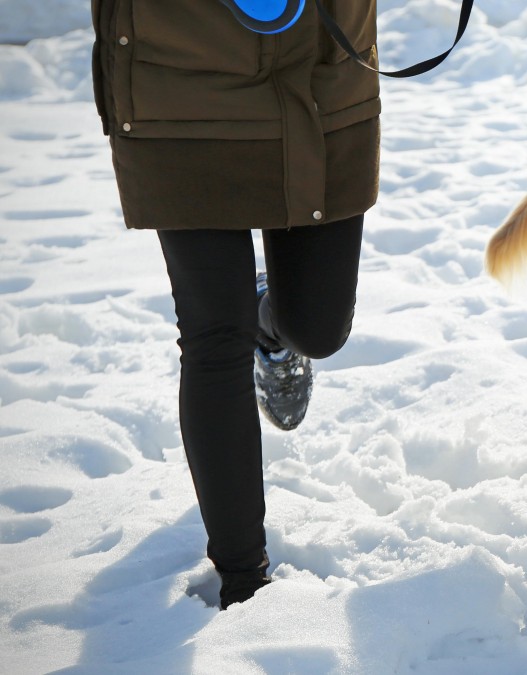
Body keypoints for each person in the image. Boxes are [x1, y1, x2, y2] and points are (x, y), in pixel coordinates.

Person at [90, 0, 381, 609]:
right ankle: (244, 580)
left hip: (320, 70)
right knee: (213, 336)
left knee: (320, 329)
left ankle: (269, 325)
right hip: (180, 79)